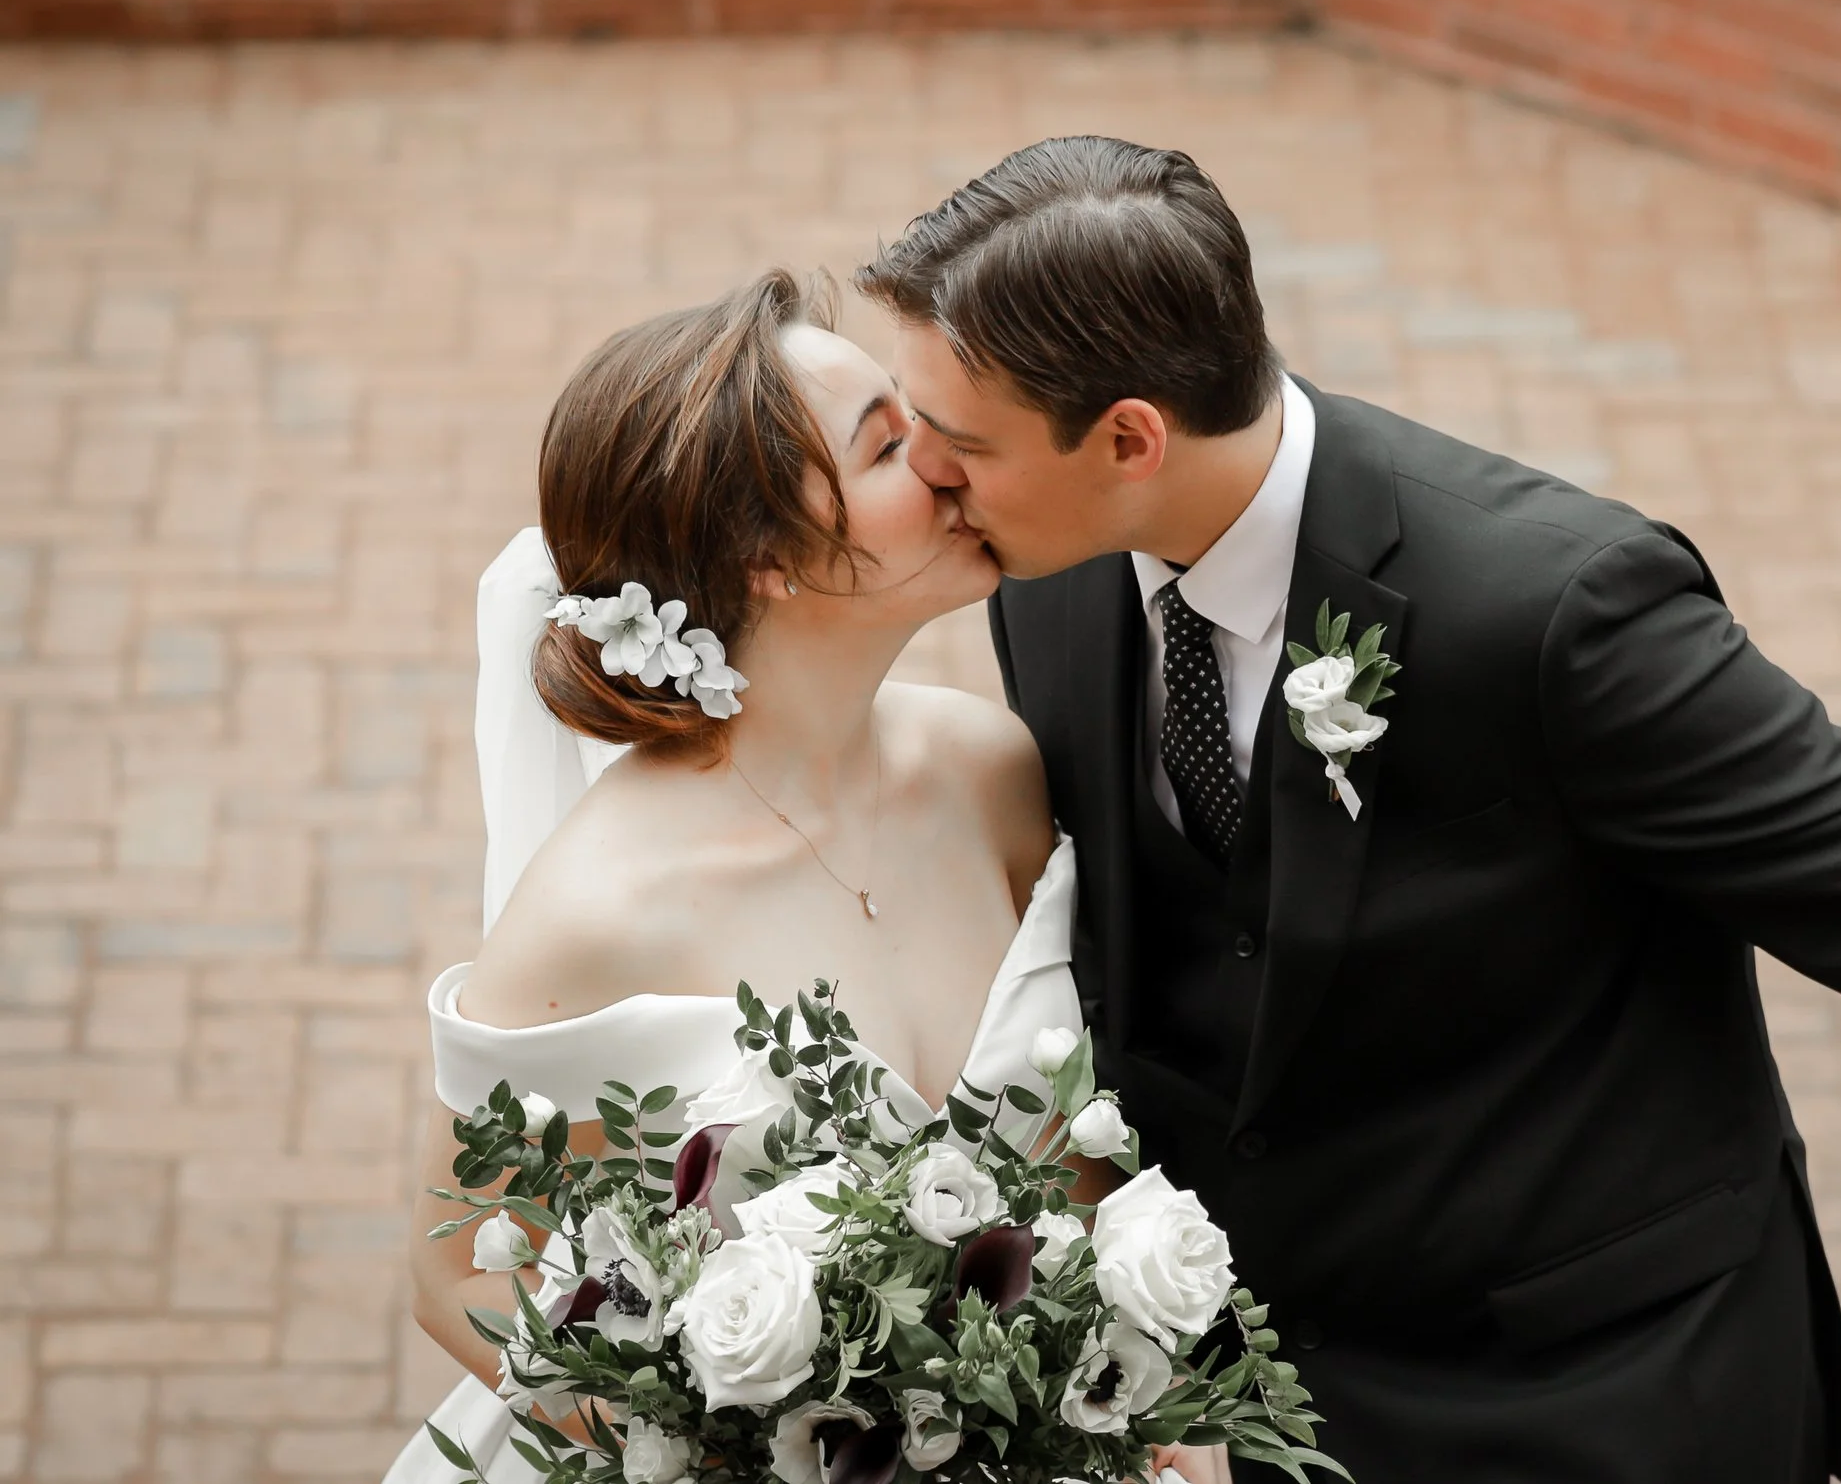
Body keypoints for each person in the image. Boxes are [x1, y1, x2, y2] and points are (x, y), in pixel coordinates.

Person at [856, 135, 1841, 1484]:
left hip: (1592, 1383)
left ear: (1129, 438)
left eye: (960, 440)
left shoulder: (1555, 606)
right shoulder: (1047, 576)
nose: (924, 475)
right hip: (1265, 1383)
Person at [385, 269, 1220, 1483]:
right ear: (770, 556)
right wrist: (701, 1450)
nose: (946, 459)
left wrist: (1153, 1404)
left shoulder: (988, 767)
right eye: (890, 446)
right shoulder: (599, 912)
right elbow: (450, 1268)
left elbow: (1073, 1142)